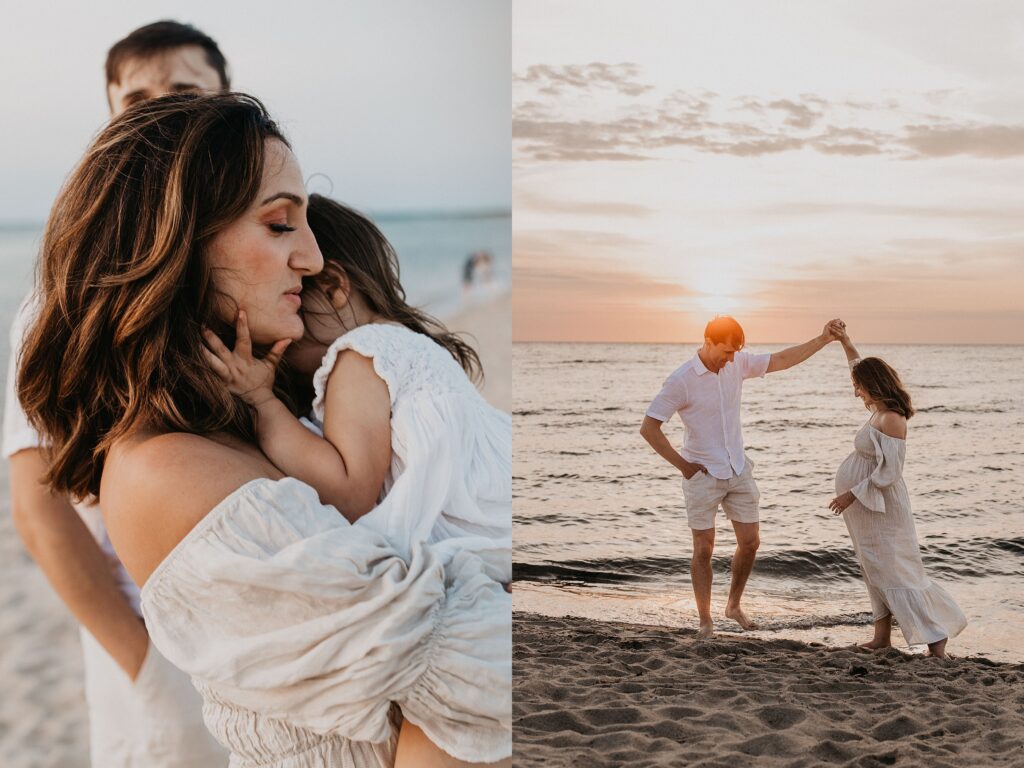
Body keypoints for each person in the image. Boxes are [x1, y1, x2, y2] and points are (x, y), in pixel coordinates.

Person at [17, 92, 511, 768]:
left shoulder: (259, 422)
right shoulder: (162, 470)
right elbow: (458, 669)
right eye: (280, 225)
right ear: (173, 246)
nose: (311, 258)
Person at [3, 20, 230, 767]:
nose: (160, 109)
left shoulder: (266, 263)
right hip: (153, 648)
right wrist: (144, 668)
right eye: (136, 96)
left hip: (281, 638)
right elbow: (39, 507)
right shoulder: (68, 299)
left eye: (185, 90)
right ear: (111, 117)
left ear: (227, 101)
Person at [202, 195, 511, 580]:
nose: (279, 344)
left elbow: (349, 493)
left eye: (294, 307)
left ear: (332, 286)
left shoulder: (358, 356)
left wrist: (261, 401)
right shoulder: (408, 346)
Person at [640, 315, 845, 639]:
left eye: (736, 352)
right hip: (702, 475)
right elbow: (649, 428)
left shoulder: (737, 364)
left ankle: (733, 606)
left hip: (738, 468)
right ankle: (705, 621)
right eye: (725, 351)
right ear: (708, 342)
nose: (731, 358)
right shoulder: (681, 380)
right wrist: (684, 466)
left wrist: (822, 340)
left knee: (750, 542)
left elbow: (781, 360)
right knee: (703, 550)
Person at [829, 328, 967, 658]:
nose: (855, 393)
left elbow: (890, 473)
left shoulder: (891, 419)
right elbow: (860, 367)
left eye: (858, 387)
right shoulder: (877, 408)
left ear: (873, 386)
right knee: (873, 567)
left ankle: (936, 640)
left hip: (882, 507)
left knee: (897, 569)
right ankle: (881, 638)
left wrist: (851, 494)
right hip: (867, 509)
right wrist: (846, 344)